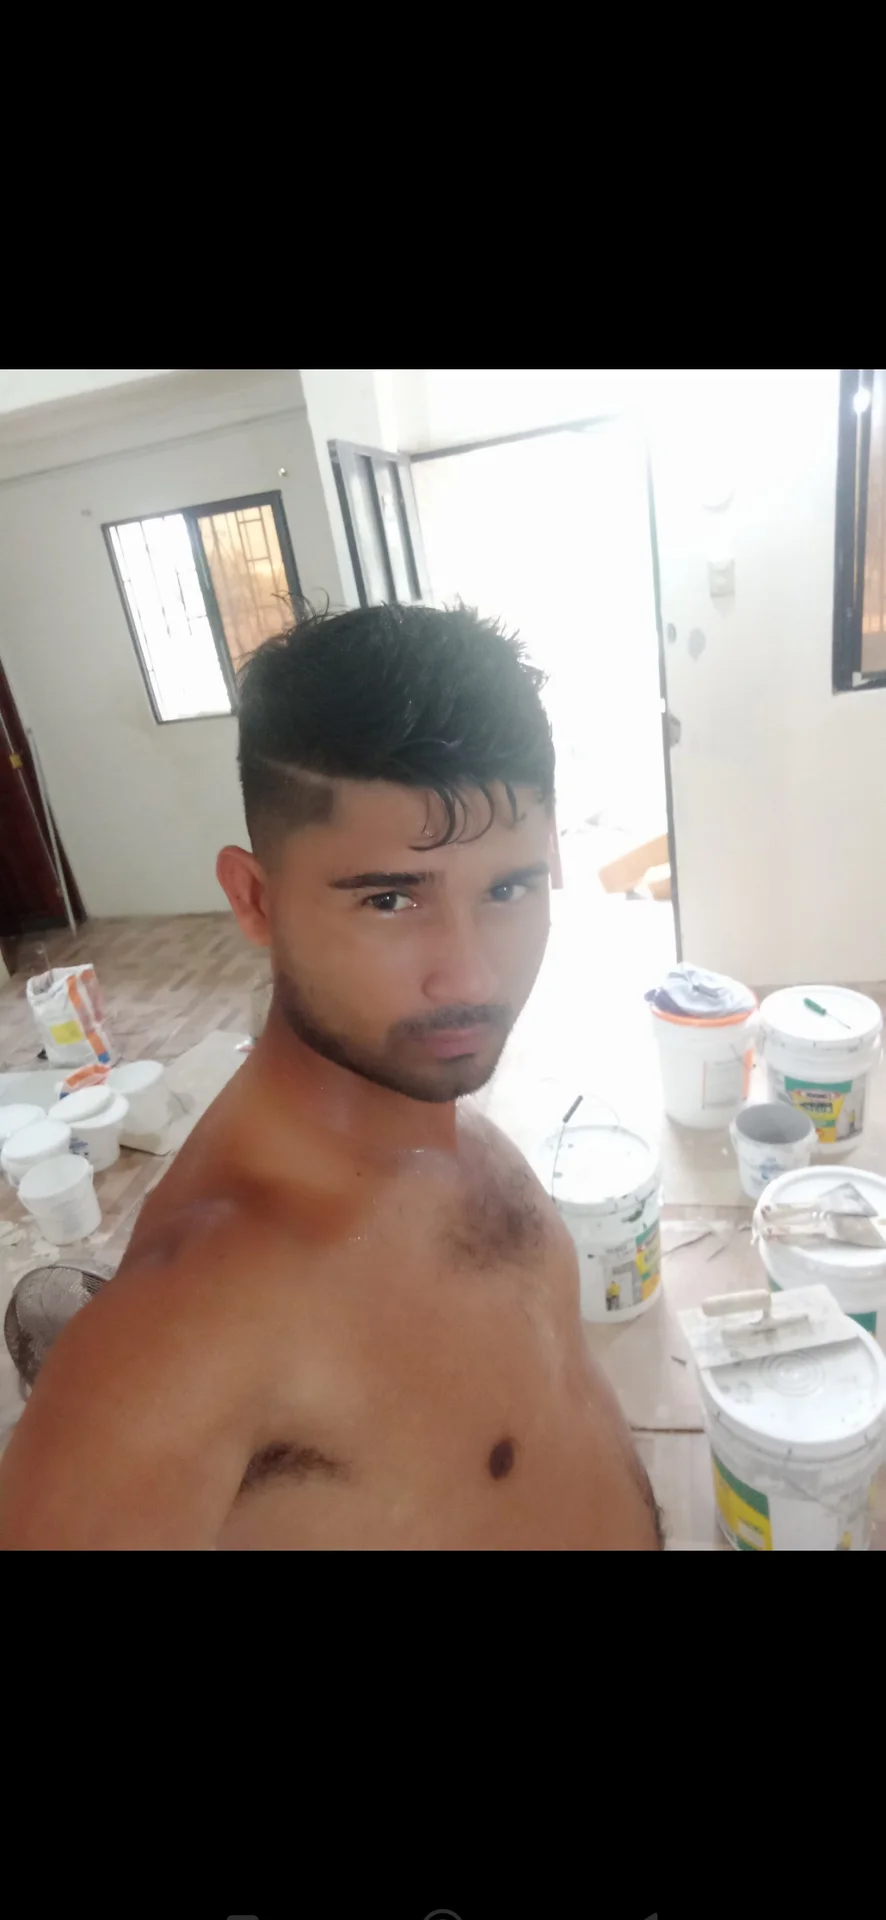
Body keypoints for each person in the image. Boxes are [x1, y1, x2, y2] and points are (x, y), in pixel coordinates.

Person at [0, 603, 663, 1551]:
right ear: (254, 899)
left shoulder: (465, 1140)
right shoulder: (178, 1331)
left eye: (508, 887)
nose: (471, 976)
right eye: (390, 899)